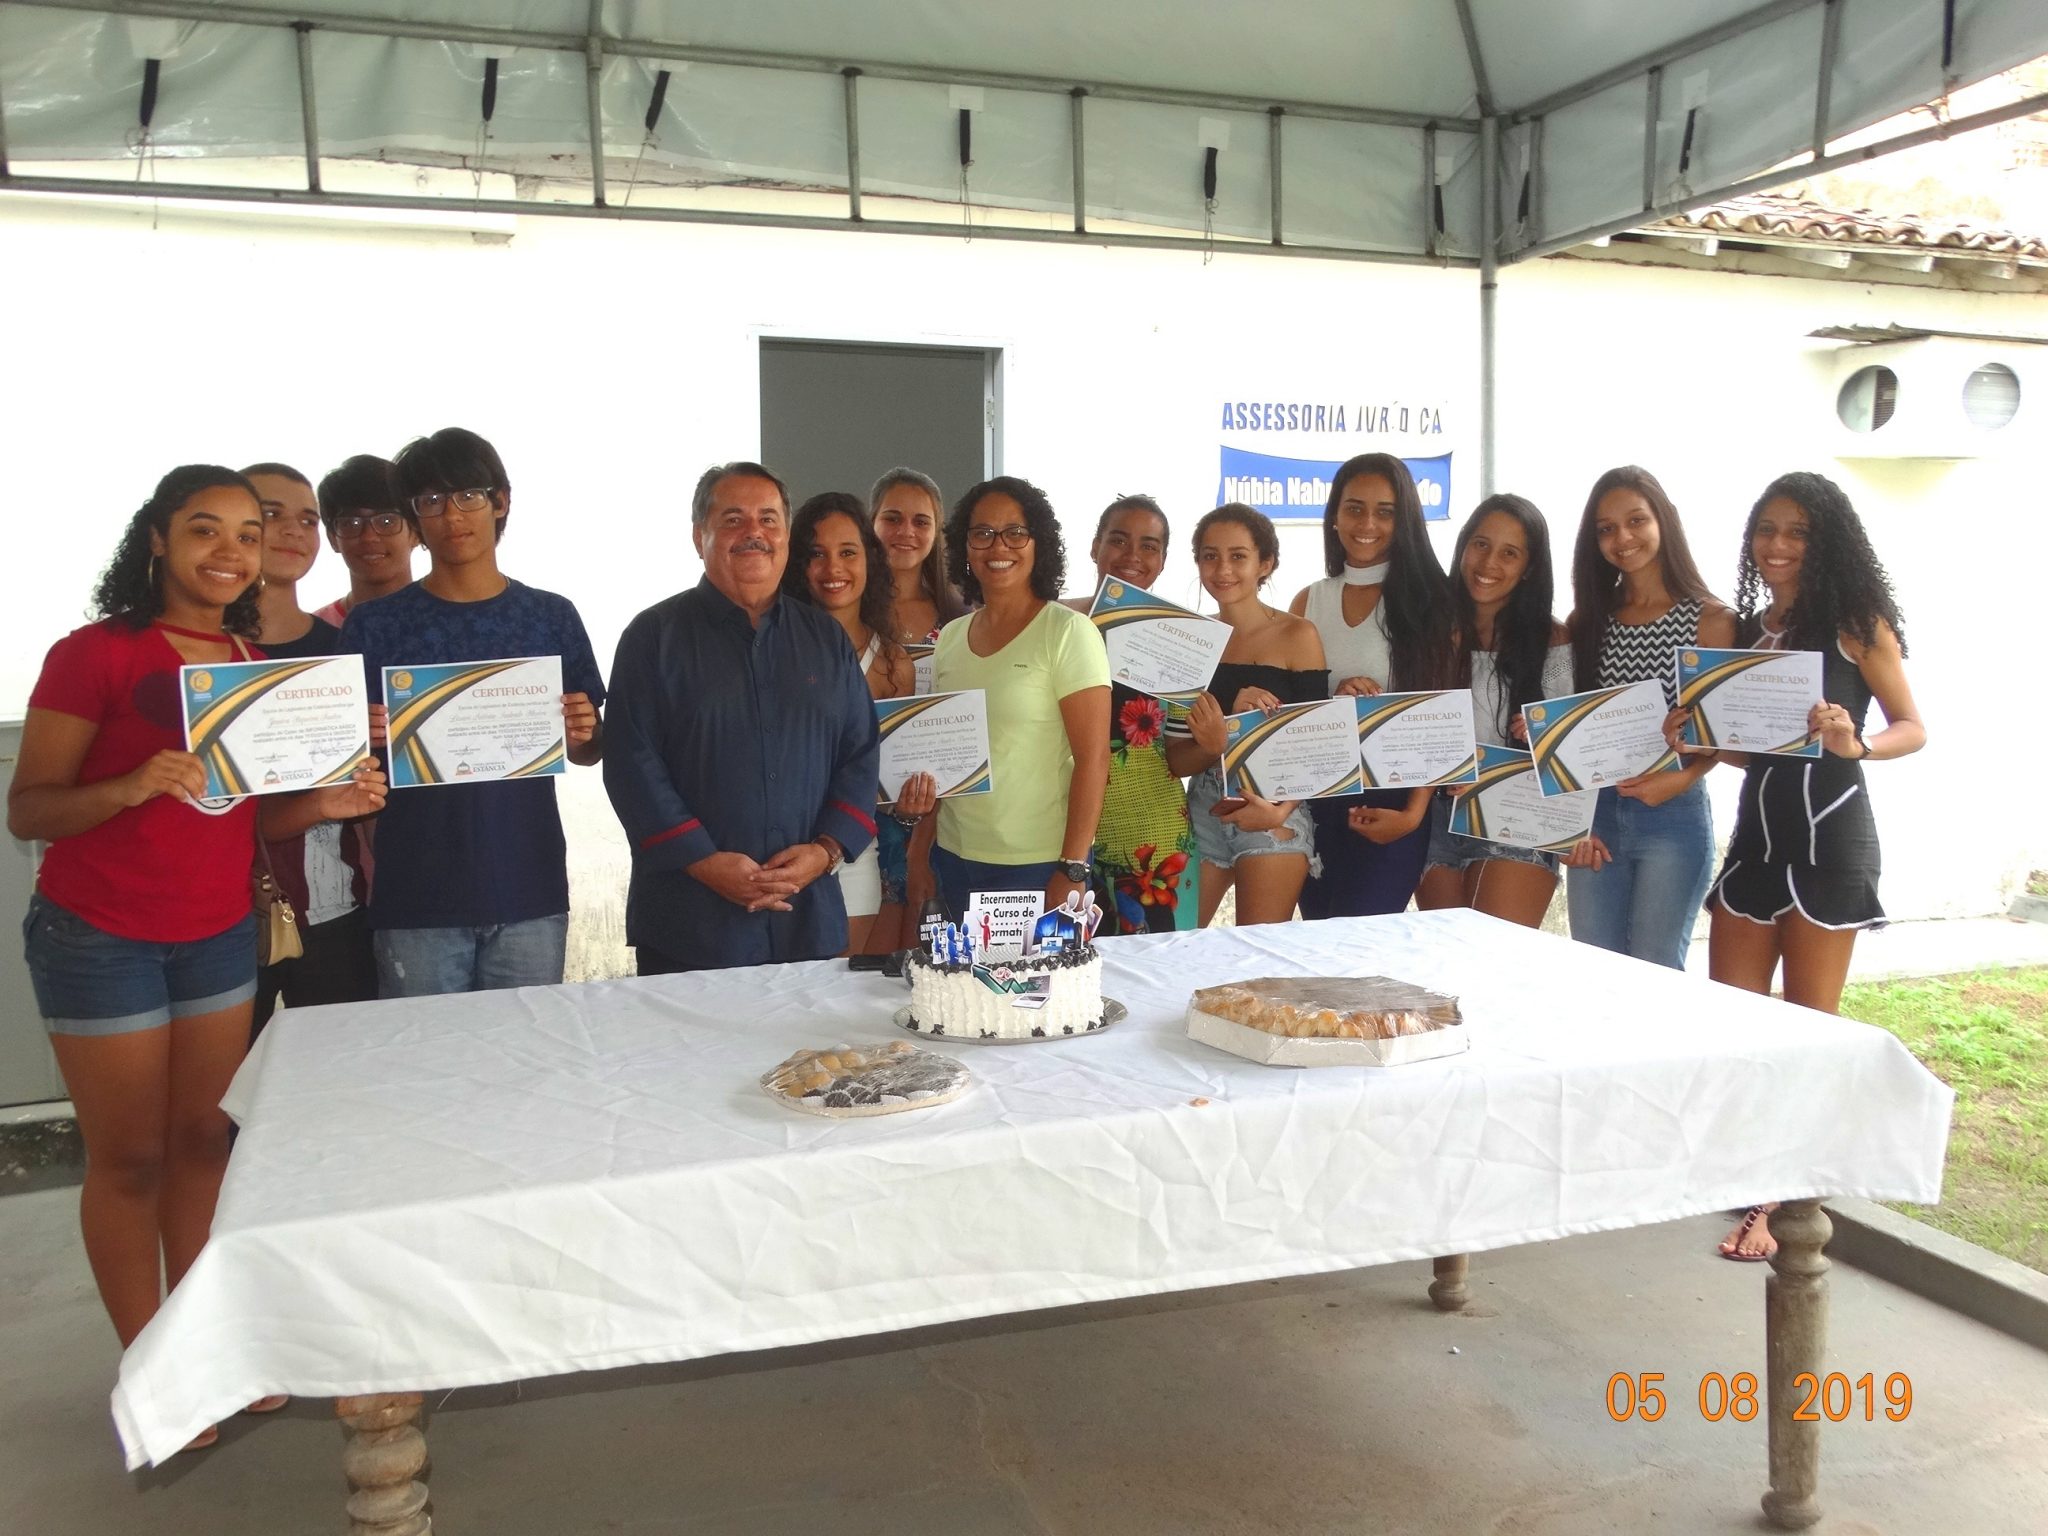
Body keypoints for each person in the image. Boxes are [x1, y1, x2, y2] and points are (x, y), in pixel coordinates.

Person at [8, 466, 383, 1447]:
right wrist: (129, 786)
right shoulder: (93, 654)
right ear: (157, 542)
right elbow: (30, 808)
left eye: (248, 535)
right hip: (101, 938)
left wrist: (323, 804)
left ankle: (207, 1351)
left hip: (217, 933)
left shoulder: (250, 666)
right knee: (130, 1157)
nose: (231, 550)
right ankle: (155, 1369)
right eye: (204, 529)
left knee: (204, 1142)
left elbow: (244, 821)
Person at [1685, 472, 1925, 1262]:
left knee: (1807, 1031)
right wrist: (1695, 733)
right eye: (1766, 530)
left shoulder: (1857, 625)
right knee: (1736, 1023)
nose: (1777, 545)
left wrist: (1857, 742)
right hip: (1757, 840)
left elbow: (1912, 725)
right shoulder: (1751, 632)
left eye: (1796, 532)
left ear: (1826, 543)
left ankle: (1787, 1199)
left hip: (1832, 844)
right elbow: (1746, 753)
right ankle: (1755, 1175)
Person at [342, 427, 604, 997]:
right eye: (431, 500)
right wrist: (357, 738)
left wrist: (584, 732)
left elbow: (589, 750)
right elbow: (347, 764)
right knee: (428, 1052)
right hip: (417, 895)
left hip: (528, 887)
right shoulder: (375, 625)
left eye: (468, 495)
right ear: (414, 517)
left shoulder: (550, 616)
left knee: (527, 1047)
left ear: (500, 501)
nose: (452, 515)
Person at [605, 462, 881, 972]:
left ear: (786, 537)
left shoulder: (825, 640)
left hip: (806, 919)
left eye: (768, 519)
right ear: (699, 536)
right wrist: (703, 862)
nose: (754, 532)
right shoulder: (652, 637)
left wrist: (825, 851)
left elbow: (860, 755)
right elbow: (631, 766)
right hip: (689, 924)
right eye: (733, 519)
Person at [911, 476, 1109, 920]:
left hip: (1040, 865)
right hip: (954, 859)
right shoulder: (950, 638)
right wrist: (920, 854)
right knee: (958, 972)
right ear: (965, 546)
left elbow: (1094, 760)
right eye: (982, 533)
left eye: (1015, 532)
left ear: (1039, 543)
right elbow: (941, 758)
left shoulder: (1068, 632)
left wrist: (1073, 868)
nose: (998, 546)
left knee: (1036, 973)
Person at [1562, 466, 1736, 968]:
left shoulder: (1712, 620)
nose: (1623, 538)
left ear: (1664, 520)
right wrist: (1567, 822)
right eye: (1606, 528)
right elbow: (1573, 729)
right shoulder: (1587, 622)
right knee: (1596, 969)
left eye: (1636, 520)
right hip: (1596, 817)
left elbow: (1723, 734)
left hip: (1672, 815)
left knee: (1657, 972)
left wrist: (1684, 778)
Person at [1289, 454, 1454, 918]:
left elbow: (1439, 720)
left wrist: (1413, 815)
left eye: (1385, 512)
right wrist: (1332, 700)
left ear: (1405, 521)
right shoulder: (1309, 600)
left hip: (1394, 806)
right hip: (1317, 804)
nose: (1367, 524)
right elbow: (1291, 717)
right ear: (1334, 517)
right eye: (1355, 508)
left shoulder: (1431, 602)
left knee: (1362, 947)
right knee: (1318, 944)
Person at [243, 463, 376, 1035]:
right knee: (222, 1085)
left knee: (343, 1076)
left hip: (331, 910)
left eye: (308, 520)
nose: (294, 532)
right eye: (271, 515)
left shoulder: (342, 649)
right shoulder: (199, 655)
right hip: (220, 922)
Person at [1416, 495, 1576, 928]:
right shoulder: (1429, 631)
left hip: (1517, 816)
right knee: (1448, 958)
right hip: (1435, 819)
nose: (1489, 563)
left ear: (1530, 567)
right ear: (1463, 545)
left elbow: (1569, 752)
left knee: (1492, 956)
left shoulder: (1553, 640)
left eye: (1509, 553)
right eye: (1481, 544)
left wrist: (1544, 736)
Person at [1166, 505, 1328, 926]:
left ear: (1265, 564)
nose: (1222, 569)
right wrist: (1218, 735)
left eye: (1238, 556)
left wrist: (1279, 812)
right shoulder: (1190, 641)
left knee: (1257, 954)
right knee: (1175, 944)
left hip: (1273, 806)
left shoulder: (1298, 634)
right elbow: (1176, 760)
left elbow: (1319, 749)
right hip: (1203, 807)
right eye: (1210, 556)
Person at [781, 490, 916, 954]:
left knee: (841, 986)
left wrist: (911, 803)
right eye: (817, 554)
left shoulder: (893, 663)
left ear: (870, 560)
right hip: (781, 849)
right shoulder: (776, 650)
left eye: (847, 553)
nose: (832, 568)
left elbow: (891, 775)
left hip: (855, 850)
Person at [1061, 495, 1197, 936]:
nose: (1132, 555)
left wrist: (1212, 745)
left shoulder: (1178, 637)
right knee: (1065, 964)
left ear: (1163, 560)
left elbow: (1179, 755)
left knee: (1156, 966)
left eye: (1149, 546)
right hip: (1059, 824)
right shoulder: (1056, 622)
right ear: (1094, 546)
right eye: (1118, 540)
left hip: (1151, 839)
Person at [312, 454, 418, 627]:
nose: (369, 537)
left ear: (416, 532)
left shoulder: (450, 623)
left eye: (386, 521)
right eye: (351, 523)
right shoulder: (318, 633)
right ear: (333, 538)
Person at [870, 467, 968, 646]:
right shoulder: (847, 609)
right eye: (892, 519)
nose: (906, 531)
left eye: (921, 522)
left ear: (936, 531)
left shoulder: (960, 616)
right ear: (871, 523)